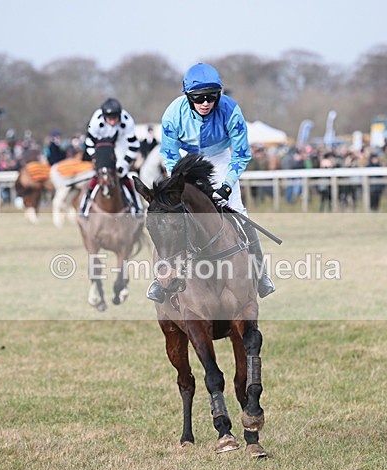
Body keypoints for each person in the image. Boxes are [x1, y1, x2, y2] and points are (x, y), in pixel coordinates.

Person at [147, 62, 275, 302]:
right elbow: (170, 154)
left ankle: (260, 273)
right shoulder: (172, 115)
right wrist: (179, 185)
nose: (206, 103)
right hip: (185, 160)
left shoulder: (231, 111)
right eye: (199, 98)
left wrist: (227, 186)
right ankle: (159, 278)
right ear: (187, 97)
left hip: (220, 160)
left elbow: (241, 154)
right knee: (172, 215)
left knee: (238, 212)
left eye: (211, 97)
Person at [80, 98, 142, 216]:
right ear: (104, 117)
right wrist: (96, 159)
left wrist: (125, 163)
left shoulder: (127, 121)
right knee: (98, 174)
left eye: (115, 118)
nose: (113, 122)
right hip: (102, 145)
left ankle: (137, 205)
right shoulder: (95, 121)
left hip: (120, 143)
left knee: (122, 174)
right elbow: (88, 142)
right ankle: (85, 204)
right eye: (109, 119)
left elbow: (134, 145)